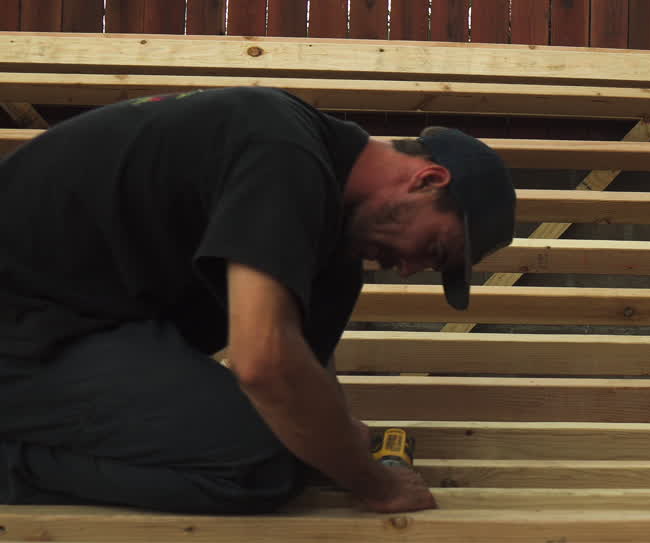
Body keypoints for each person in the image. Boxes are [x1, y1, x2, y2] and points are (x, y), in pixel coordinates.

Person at [0, 86, 516, 514]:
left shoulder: (334, 248)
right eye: (434, 249)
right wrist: (373, 484)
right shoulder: (284, 151)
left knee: (294, 449)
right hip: (26, 317)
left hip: (80, 324)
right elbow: (265, 363)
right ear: (427, 180)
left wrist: (340, 429)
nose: (406, 269)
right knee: (259, 465)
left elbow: (303, 373)